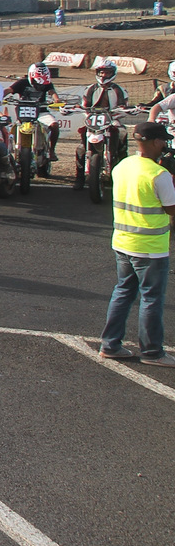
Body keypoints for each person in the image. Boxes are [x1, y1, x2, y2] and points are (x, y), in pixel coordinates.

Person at [99, 121, 175, 367]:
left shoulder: (123, 166)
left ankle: (110, 344)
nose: (165, 144)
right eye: (163, 140)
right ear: (154, 142)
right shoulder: (158, 174)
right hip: (150, 248)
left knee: (123, 292)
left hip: (122, 241)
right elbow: (171, 208)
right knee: (151, 299)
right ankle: (152, 352)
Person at [5, 62, 62, 168]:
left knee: (54, 125)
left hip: (41, 111)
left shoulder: (47, 83)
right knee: (8, 129)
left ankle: (51, 150)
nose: (39, 86)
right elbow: (9, 90)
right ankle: (10, 153)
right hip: (24, 112)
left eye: (42, 84)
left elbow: (52, 92)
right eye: (37, 83)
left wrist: (56, 100)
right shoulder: (22, 82)